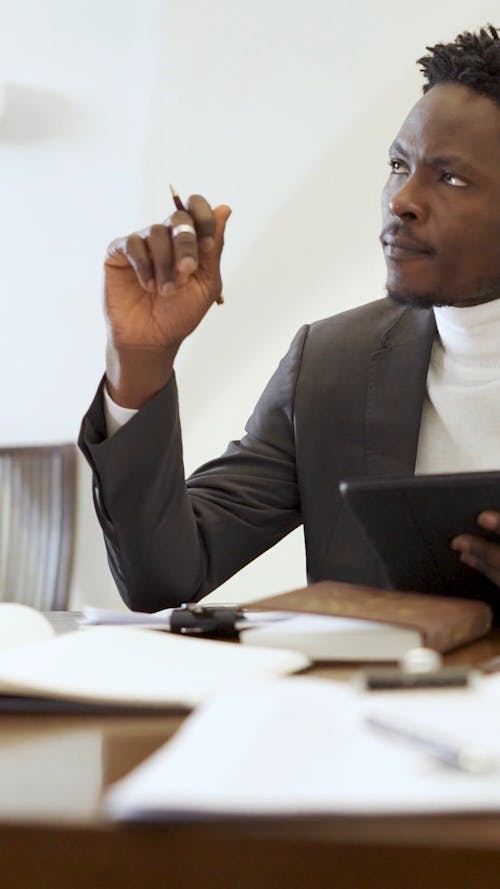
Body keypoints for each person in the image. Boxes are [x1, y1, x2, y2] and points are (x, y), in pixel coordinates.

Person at [80, 25, 500, 614]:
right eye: (398, 165)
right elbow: (165, 576)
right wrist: (140, 361)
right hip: (364, 704)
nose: (403, 199)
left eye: (450, 177)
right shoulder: (335, 363)